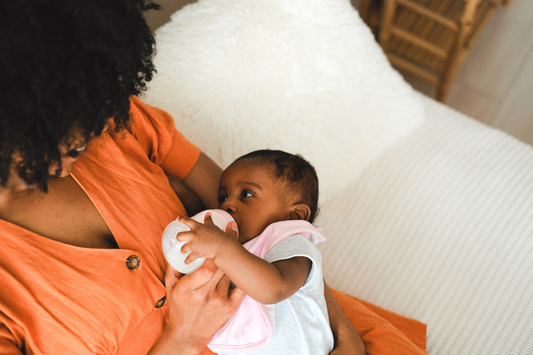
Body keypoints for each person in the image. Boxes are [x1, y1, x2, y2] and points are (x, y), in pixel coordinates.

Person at [0, 1, 364, 354]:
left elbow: (271, 222)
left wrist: (341, 331)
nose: (90, 130)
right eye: (59, 116)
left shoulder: (108, 117)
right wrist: (184, 338)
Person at [177, 150, 335, 354]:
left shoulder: (294, 245)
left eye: (247, 194)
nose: (227, 204)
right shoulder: (235, 248)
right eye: (222, 197)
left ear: (294, 215)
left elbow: (274, 289)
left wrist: (220, 247)